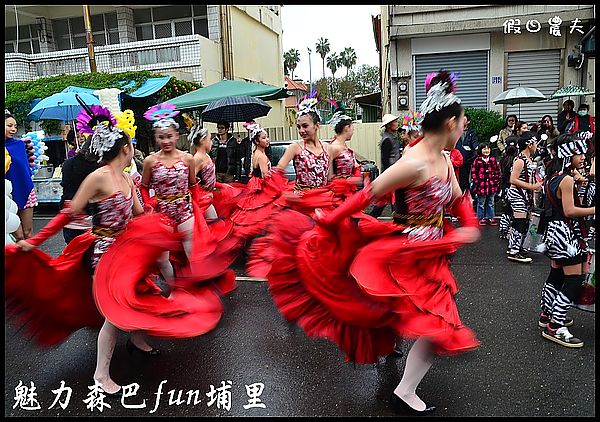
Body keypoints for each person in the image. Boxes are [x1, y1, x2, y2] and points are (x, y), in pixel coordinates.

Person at [248, 69, 481, 414]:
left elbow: (460, 199)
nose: (463, 130)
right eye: (462, 123)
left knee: (426, 323)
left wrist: (470, 225)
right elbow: (369, 193)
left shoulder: (444, 159)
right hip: (406, 254)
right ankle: (404, 391)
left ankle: (403, 384)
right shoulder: (413, 163)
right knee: (436, 326)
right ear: (450, 123)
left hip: (432, 253)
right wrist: (331, 219)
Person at [538, 132, 595, 347]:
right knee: (573, 279)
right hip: (566, 235)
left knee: (556, 275)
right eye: (578, 152)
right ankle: (556, 325)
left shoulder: (554, 177)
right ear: (567, 153)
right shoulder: (567, 179)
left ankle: (547, 315)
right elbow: (570, 211)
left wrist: (578, 184)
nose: (582, 156)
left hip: (554, 233)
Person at [140, 103, 198, 286]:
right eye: (161, 137)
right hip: (162, 213)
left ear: (177, 136)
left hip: (184, 210)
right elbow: (143, 186)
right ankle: (175, 289)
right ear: (156, 139)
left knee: (192, 252)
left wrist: (199, 205)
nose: (166, 141)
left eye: (169, 136)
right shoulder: (150, 161)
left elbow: (193, 185)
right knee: (162, 258)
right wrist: (149, 205)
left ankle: (197, 289)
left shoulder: (188, 159)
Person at [505, 131, 542, 263]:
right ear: (529, 144)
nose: (537, 145)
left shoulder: (528, 159)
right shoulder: (520, 160)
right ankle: (513, 250)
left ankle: (517, 247)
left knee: (524, 222)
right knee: (518, 222)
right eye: (535, 143)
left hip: (524, 194)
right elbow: (513, 179)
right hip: (517, 193)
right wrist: (531, 187)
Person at [60, 136, 101, 244]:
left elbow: (64, 184)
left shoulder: (67, 164)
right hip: (89, 219)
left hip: (69, 218)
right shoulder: (98, 168)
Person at [5, 110, 38, 240]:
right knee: (17, 234)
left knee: (28, 232)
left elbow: (25, 169)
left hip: (25, 190)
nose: (13, 129)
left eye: (15, 126)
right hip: (7, 195)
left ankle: (29, 260)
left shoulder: (19, 144)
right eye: (9, 125)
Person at [368, 113, 400, 218]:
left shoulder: (391, 137)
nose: (397, 124)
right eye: (394, 122)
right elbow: (385, 160)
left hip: (393, 173)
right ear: (389, 125)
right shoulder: (387, 140)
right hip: (390, 174)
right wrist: (388, 176)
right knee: (389, 200)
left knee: (388, 200)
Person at [191, 125, 219, 220]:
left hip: (209, 194)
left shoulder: (206, 155)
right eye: (210, 139)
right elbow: (190, 180)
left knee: (213, 220)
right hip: (202, 197)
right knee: (213, 221)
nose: (212, 142)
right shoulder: (198, 158)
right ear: (202, 140)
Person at [471, 141, 501, 225]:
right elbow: (474, 173)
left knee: (491, 202)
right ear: (480, 150)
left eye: (488, 148)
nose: (486, 150)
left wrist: (496, 181)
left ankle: (490, 217)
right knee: (481, 202)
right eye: (484, 149)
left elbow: (497, 171)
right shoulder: (477, 161)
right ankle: (481, 218)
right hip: (481, 185)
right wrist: (477, 182)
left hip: (491, 185)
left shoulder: (492, 160)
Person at [498, 136, 519, 239]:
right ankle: (511, 229)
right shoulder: (517, 161)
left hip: (505, 187)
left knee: (507, 209)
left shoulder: (503, 160)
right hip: (514, 188)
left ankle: (503, 228)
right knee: (515, 210)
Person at [455, 113, 478, 193]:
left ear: (468, 122)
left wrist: (476, 147)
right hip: (456, 158)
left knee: (465, 178)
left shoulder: (471, 133)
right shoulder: (455, 131)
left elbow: (474, 143)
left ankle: (465, 193)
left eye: (463, 119)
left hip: (467, 159)